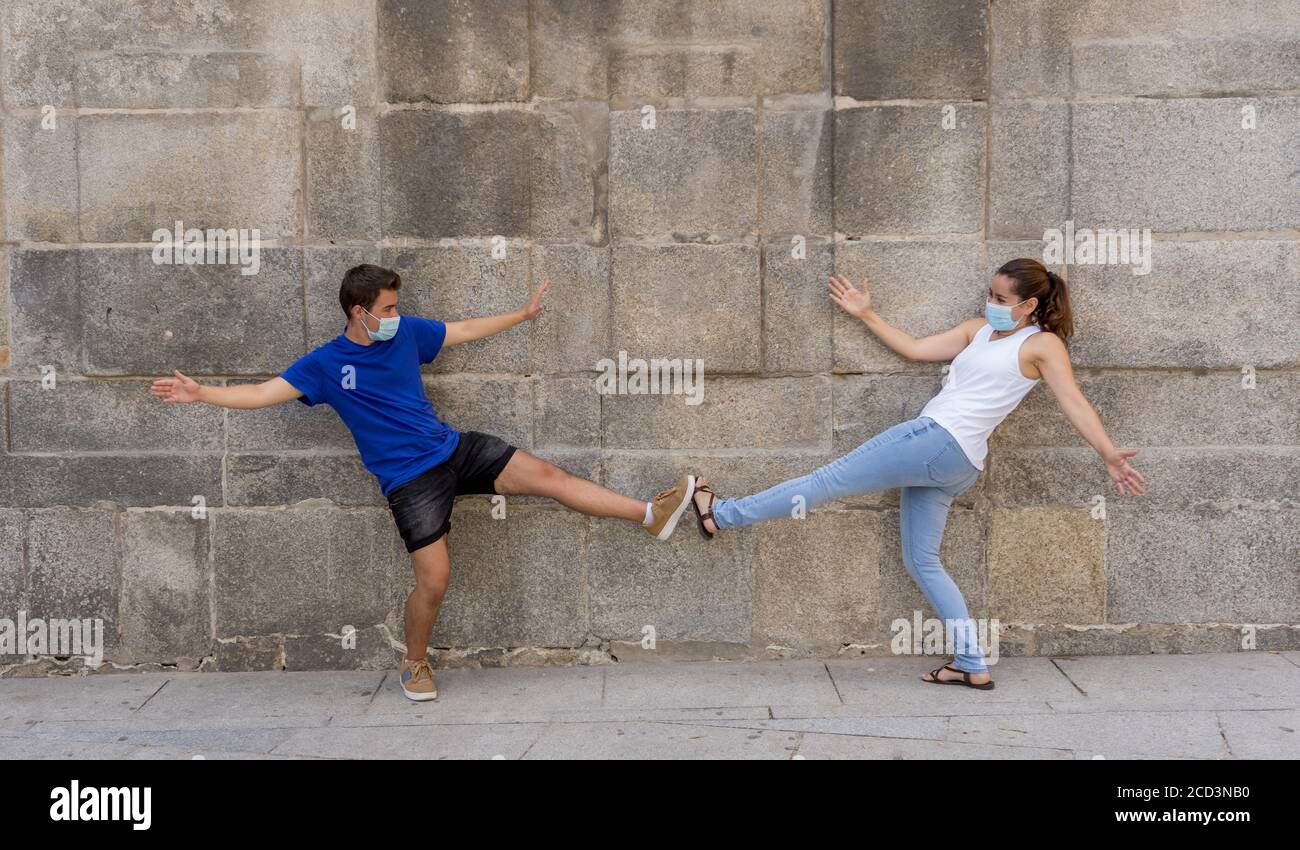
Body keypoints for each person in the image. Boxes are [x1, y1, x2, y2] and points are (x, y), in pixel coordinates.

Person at [151, 264, 696, 701]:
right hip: (409, 482)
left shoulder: (406, 332)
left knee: (549, 476)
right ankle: (414, 661)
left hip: (452, 449)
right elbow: (261, 394)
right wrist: (204, 395)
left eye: (397, 306)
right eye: (387, 308)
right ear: (359, 312)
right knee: (434, 582)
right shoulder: (324, 364)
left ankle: (649, 515)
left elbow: (459, 331)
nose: (397, 315)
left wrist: (522, 314)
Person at [690, 258, 1146, 690]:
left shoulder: (1042, 343)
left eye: (1002, 299)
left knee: (828, 480)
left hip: (937, 439)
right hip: (955, 463)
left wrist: (1107, 452)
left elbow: (1073, 400)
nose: (991, 303)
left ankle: (721, 514)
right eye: (990, 293)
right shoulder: (979, 330)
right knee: (922, 561)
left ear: (1028, 306)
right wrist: (866, 314)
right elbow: (914, 349)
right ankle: (971, 664)